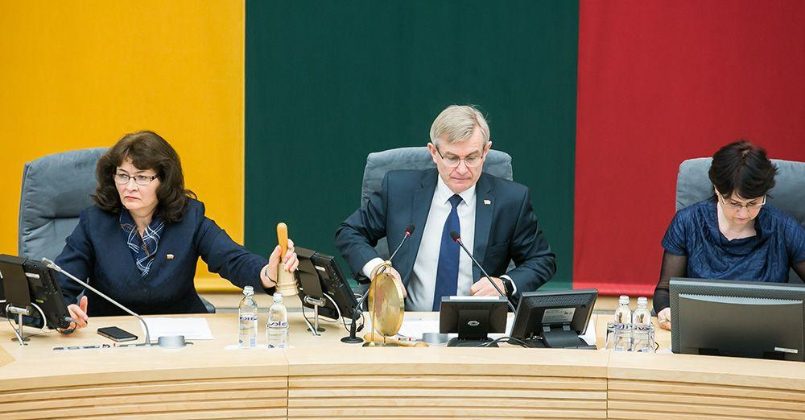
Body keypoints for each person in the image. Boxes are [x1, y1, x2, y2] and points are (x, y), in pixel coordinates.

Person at [55, 131, 298, 329]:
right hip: (110, 334)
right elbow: (61, 283)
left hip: (181, 334)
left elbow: (232, 259)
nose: (129, 186)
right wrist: (64, 313)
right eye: (123, 176)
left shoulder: (189, 218)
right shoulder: (95, 222)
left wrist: (268, 272)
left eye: (142, 177)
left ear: (164, 180)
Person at [336, 105, 556, 311]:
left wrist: (505, 284)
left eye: (471, 158)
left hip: (477, 324)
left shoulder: (511, 200)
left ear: (485, 151)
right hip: (405, 322)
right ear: (433, 152)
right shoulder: (399, 190)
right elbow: (350, 232)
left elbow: (542, 260)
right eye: (452, 158)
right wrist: (377, 269)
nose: (462, 169)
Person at [654, 140, 805, 330]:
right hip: (702, 333)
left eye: (753, 203)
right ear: (718, 190)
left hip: (768, 334)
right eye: (734, 203)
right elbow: (665, 290)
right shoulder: (688, 222)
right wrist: (665, 310)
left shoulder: (783, 228)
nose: (744, 214)